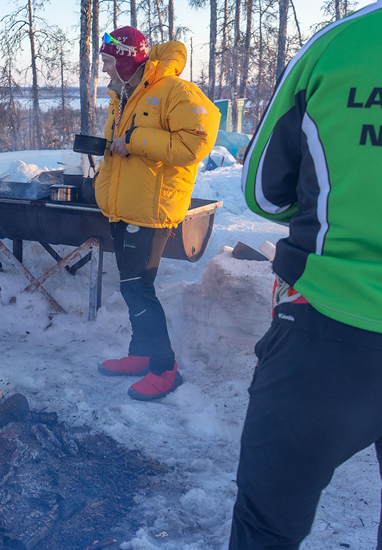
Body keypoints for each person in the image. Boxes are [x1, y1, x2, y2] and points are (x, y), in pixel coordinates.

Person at [229, 3, 382, 547]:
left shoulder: (341, 44)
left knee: (267, 524)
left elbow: (263, 193)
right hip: (325, 331)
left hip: (325, 331)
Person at [93, 27, 218, 400]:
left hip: (152, 209)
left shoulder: (174, 90)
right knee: (131, 287)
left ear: (127, 60)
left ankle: (165, 368)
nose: (105, 70)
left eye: (109, 62)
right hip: (125, 205)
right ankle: (142, 353)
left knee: (138, 289)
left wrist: (135, 141)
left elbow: (197, 141)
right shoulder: (125, 95)